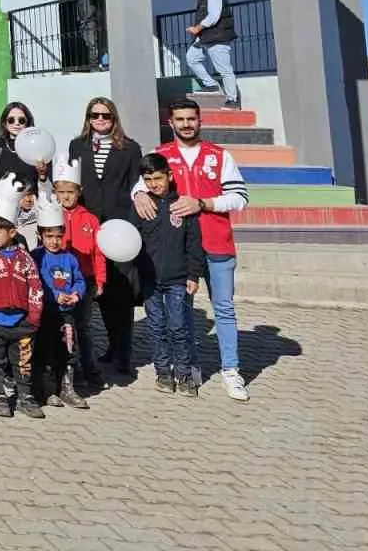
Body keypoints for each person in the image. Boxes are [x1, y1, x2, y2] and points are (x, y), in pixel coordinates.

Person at [136, 97, 250, 401]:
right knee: (181, 311)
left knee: (224, 308)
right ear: (170, 122)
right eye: (180, 119)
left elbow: (240, 197)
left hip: (216, 242)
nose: (186, 124)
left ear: (200, 121)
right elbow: (142, 185)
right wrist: (138, 196)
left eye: (192, 118)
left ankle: (231, 370)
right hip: (178, 250)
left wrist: (204, 203)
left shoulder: (219, 155)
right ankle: (191, 366)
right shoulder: (160, 155)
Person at [66, 96, 142, 382]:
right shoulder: (77, 146)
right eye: (95, 115)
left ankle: (123, 352)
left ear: (114, 118)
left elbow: (137, 186)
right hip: (89, 228)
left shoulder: (130, 148)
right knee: (99, 289)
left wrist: (132, 223)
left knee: (120, 293)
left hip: (119, 227)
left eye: (105, 116)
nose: (100, 120)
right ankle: (108, 348)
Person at [0, 182, 45, 419]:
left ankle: (24, 396)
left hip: (22, 323)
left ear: (12, 232)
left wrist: (34, 317)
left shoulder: (25, 260)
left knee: (22, 362)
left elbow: (36, 288)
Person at [134, 151, 206, 396]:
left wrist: (193, 275)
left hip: (178, 280)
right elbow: (132, 241)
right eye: (148, 180)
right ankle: (163, 373)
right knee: (156, 327)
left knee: (179, 328)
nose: (154, 184)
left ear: (169, 175)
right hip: (150, 281)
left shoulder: (183, 206)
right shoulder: (143, 207)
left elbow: (194, 244)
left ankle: (184, 375)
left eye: (158, 178)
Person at [50, 154, 105, 394]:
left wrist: (100, 280)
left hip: (85, 281)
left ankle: (90, 368)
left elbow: (99, 252)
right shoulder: (52, 216)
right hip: (58, 281)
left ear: (79, 191)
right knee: (62, 326)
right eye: (61, 192)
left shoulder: (90, 220)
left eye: (70, 192)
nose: (66, 197)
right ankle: (66, 369)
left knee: (83, 326)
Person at [29, 199, 89, 410]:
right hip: (45, 313)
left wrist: (76, 294)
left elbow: (80, 280)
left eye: (58, 237)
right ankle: (46, 389)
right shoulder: (37, 256)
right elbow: (38, 280)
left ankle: (67, 387)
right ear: (40, 235)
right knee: (45, 350)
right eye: (49, 237)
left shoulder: (69, 258)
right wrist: (55, 295)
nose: (54, 241)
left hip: (67, 314)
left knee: (68, 350)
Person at [183, 0, 241, 109]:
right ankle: (211, 84)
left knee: (225, 70)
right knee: (192, 58)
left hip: (217, 38)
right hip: (205, 38)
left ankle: (232, 100)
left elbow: (213, 17)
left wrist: (197, 28)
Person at [0, 102, 39, 190]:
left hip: (29, 200)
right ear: (4, 122)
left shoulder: (36, 147)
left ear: (28, 123)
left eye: (21, 120)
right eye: (11, 120)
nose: (16, 123)